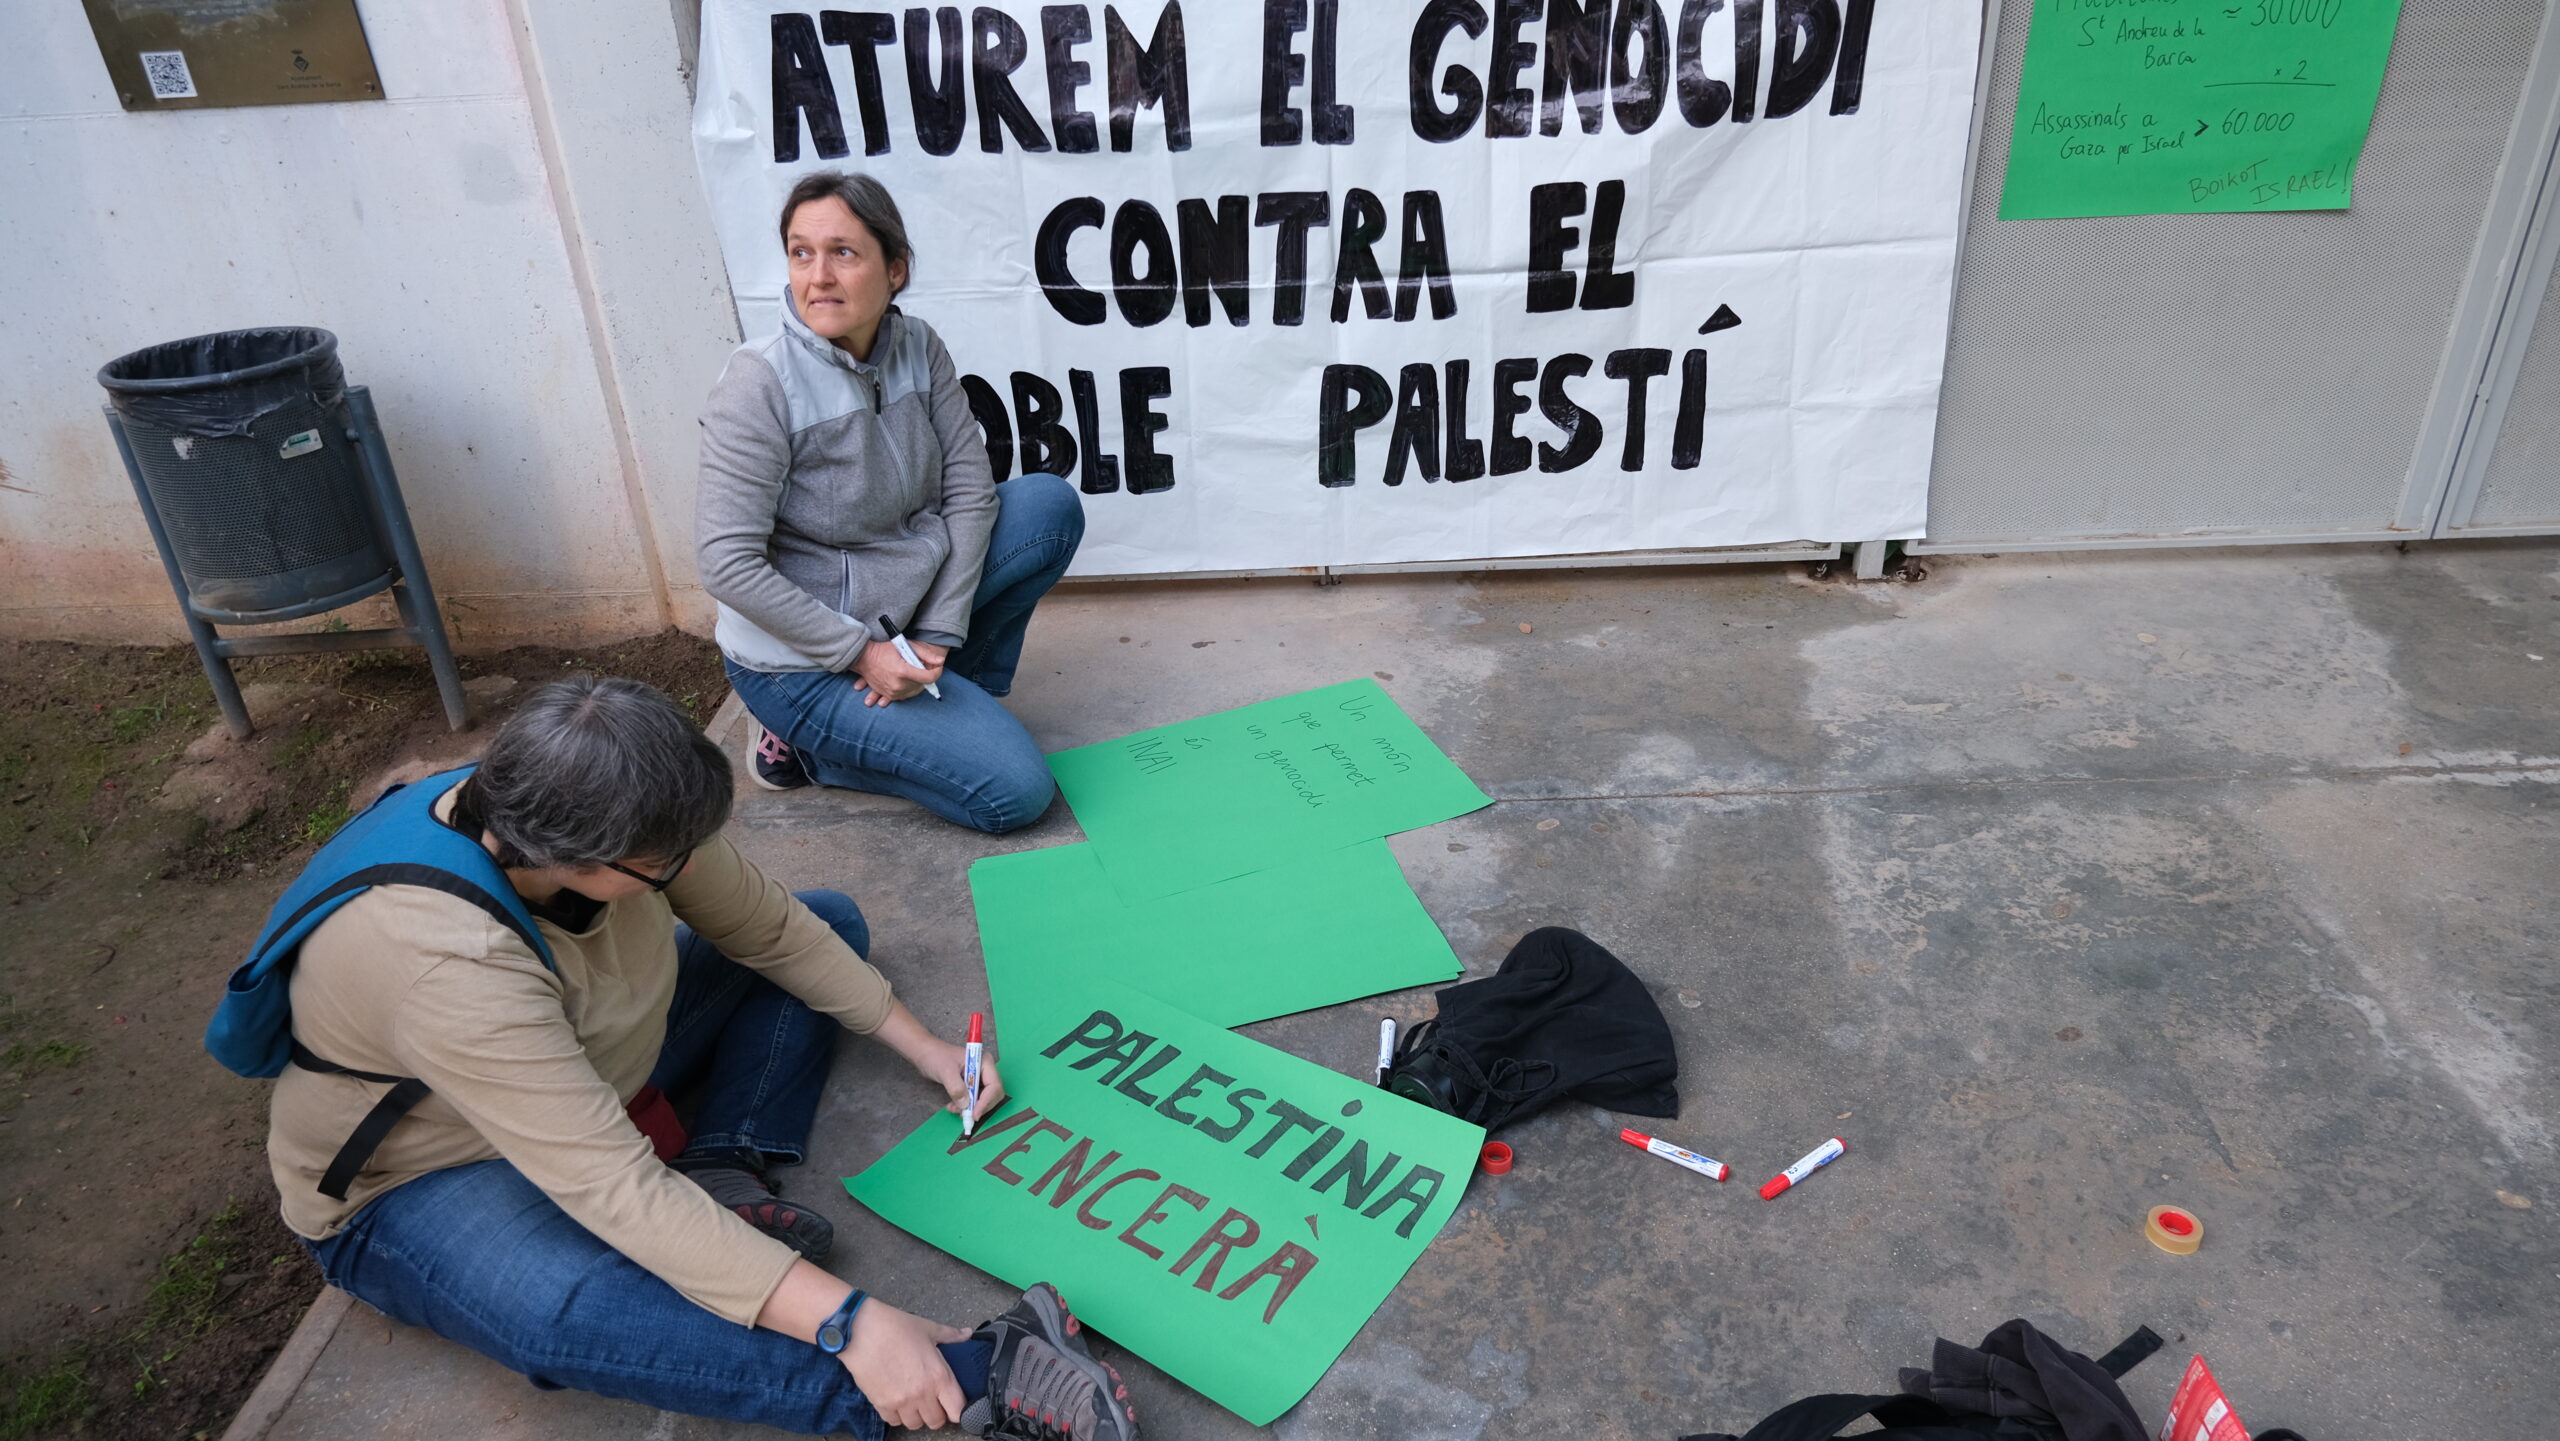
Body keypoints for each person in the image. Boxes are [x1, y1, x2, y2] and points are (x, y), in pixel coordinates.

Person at [261, 676, 1139, 1438]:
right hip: (426, 1171)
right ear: (577, 857)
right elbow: (613, 1185)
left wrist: (930, 1049)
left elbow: (772, 927)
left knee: (825, 925)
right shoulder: (446, 962)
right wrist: (847, 1321)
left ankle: (720, 1164)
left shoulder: (582, 799)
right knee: (561, 1313)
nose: (688, 865)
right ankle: (973, 1374)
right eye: (665, 862)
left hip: (588, 1059)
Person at [698, 170, 1084, 834]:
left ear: (895, 269)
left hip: (903, 605)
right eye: (801, 252)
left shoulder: (919, 345)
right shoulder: (759, 384)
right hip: (802, 661)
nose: (818, 276)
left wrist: (936, 633)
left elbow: (971, 492)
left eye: (843, 252)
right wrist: (862, 654)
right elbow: (726, 564)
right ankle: (809, 752)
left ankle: (948, 689)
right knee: (1016, 793)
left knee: (1047, 508)